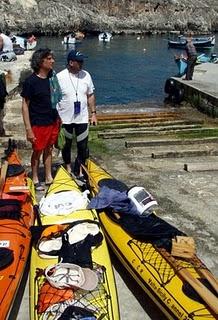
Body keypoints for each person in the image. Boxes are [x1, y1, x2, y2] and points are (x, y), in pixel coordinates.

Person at [21, 48, 62, 191]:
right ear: (40, 61)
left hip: (52, 119)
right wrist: (28, 129)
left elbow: (56, 100)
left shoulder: (52, 78)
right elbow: (25, 106)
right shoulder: (31, 82)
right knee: (37, 151)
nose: (53, 61)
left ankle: (49, 176)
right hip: (38, 122)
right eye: (49, 58)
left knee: (49, 149)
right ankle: (35, 177)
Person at [57, 49, 97, 181]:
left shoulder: (86, 75)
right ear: (71, 62)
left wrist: (93, 113)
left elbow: (90, 95)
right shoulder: (60, 77)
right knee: (66, 145)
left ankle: (79, 168)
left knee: (83, 146)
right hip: (65, 118)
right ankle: (68, 167)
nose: (82, 63)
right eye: (79, 61)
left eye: (82, 61)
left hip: (82, 117)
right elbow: (54, 97)